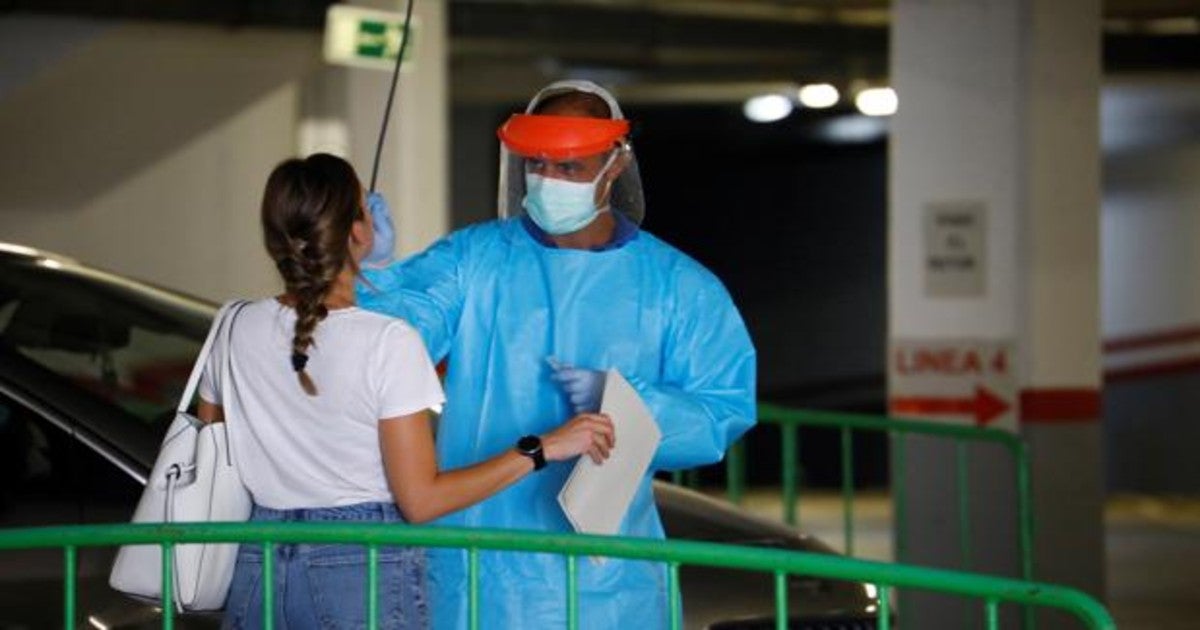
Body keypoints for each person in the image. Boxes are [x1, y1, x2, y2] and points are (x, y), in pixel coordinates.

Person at [357, 81, 756, 629]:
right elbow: (390, 344)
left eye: (570, 167)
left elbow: (722, 411)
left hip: (608, 587)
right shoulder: (473, 258)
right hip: (477, 568)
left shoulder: (679, 287)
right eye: (538, 165)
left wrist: (626, 404)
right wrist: (371, 277)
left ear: (615, 165)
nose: (549, 181)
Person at [196, 153, 615, 629]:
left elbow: (216, 445)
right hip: (359, 566)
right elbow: (421, 501)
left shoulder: (232, 326)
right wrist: (545, 447)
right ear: (359, 231)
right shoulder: (388, 341)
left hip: (258, 562)